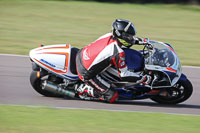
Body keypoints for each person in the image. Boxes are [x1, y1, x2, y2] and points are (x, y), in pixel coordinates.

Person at [75, 19, 151, 103]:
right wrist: (143, 78)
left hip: (82, 54)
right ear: (121, 35)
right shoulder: (118, 52)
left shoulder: (109, 36)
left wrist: (142, 41)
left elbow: (128, 41)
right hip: (86, 74)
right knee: (112, 96)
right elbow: (124, 75)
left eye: (132, 36)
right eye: (129, 36)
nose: (131, 38)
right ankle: (82, 89)